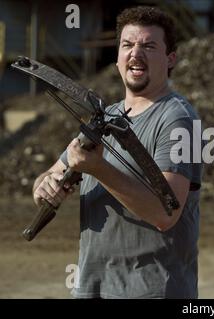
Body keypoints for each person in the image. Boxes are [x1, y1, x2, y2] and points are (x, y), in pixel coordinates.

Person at [32, 6, 202, 298]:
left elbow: (165, 213)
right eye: (128, 45)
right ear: (118, 59)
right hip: (91, 287)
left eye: (149, 46)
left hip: (150, 290)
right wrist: (45, 186)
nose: (136, 54)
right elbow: (53, 173)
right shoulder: (106, 117)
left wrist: (98, 168)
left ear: (170, 58)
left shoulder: (178, 120)